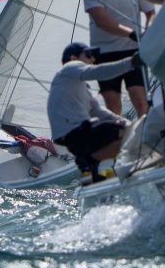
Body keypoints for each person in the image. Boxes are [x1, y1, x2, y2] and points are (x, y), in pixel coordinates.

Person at [82, 0, 155, 117]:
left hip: (133, 52)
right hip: (105, 54)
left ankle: (143, 134)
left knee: (141, 103)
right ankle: (117, 135)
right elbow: (101, 19)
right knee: (113, 107)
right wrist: (131, 33)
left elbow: (150, 13)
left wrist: (149, 31)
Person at [47, 42, 141, 182]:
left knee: (129, 130)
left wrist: (127, 123)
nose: (93, 59)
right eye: (88, 55)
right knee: (125, 132)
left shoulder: (81, 87)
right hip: (76, 132)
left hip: (73, 136)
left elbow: (98, 111)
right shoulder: (70, 67)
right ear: (73, 58)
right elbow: (98, 72)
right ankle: (89, 160)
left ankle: (92, 173)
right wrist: (131, 62)